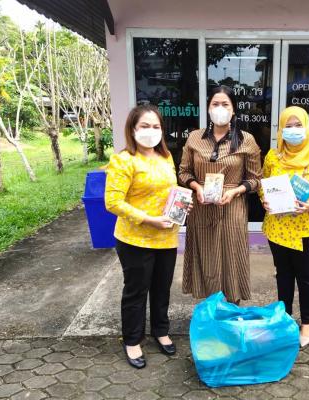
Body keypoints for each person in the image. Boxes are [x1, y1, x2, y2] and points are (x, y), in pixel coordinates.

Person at [105, 104, 186, 369]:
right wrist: (149, 219)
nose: (151, 131)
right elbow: (112, 202)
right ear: (132, 129)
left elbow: (170, 190)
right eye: (145, 126)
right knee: (136, 291)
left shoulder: (166, 156)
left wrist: (181, 205)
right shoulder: (124, 160)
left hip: (166, 237)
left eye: (156, 126)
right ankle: (132, 340)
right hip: (134, 239)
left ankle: (161, 331)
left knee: (162, 288)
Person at [260, 106, 309, 348]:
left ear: (307, 127)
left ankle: (307, 323)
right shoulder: (273, 157)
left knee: (306, 278)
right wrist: (264, 200)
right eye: (288, 126)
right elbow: (264, 184)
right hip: (278, 229)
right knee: (283, 276)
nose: (293, 130)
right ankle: (284, 320)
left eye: (298, 125)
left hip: (306, 230)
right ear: (281, 130)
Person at [179, 85, 262, 304]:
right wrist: (197, 187)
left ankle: (232, 309)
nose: (220, 108)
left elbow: (256, 179)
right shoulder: (194, 138)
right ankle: (210, 310)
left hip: (232, 208)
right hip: (202, 207)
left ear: (233, 109)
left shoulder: (246, 140)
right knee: (207, 258)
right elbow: (184, 172)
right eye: (215, 104)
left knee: (231, 257)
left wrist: (235, 191)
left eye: (225, 104)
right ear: (208, 108)